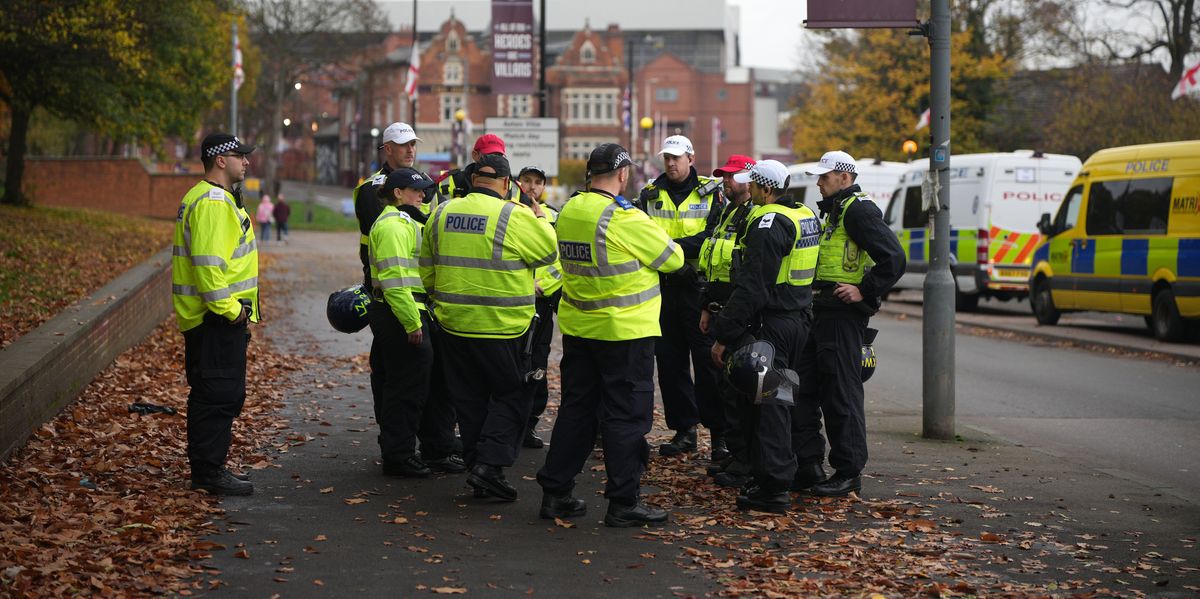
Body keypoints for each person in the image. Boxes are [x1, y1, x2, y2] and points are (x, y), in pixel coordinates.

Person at [536, 143, 684, 527]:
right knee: (625, 418)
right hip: (625, 333)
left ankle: (556, 492)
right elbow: (674, 258)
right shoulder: (624, 217)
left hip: (581, 330)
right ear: (622, 175)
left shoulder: (570, 210)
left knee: (577, 411)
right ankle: (623, 502)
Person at [420, 153, 558, 502]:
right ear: (507, 183)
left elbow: (427, 270)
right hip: (502, 328)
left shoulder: (441, 213)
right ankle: (490, 467)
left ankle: (476, 467)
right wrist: (538, 214)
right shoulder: (513, 215)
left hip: (454, 326)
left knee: (469, 400)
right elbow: (548, 251)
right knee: (513, 394)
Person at [707, 160, 821, 513]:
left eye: (754, 185)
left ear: (766, 188)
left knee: (770, 404)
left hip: (773, 325)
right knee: (787, 399)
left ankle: (773, 486)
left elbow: (753, 287)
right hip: (798, 318)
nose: (750, 191)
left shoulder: (768, 222)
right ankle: (797, 468)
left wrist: (724, 333)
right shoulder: (804, 214)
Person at [798, 151, 906, 497]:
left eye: (824, 177)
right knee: (806, 389)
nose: (818, 182)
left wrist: (864, 290)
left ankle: (848, 472)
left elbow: (894, 258)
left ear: (844, 177)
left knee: (841, 393)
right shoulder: (835, 211)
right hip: (822, 312)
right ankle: (810, 465)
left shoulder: (858, 210)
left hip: (842, 318)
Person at [171, 133, 260, 496]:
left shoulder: (202, 196)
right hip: (217, 320)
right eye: (241, 156)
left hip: (211, 320)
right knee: (218, 395)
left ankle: (210, 467)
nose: (247, 162)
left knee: (215, 393)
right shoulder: (212, 201)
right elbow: (209, 267)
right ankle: (208, 472)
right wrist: (231, 310)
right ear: (220, 160)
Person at [635, 135, 727, 458]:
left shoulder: (712, 192)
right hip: (663, 289)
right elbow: (639, 236)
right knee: (670, 364)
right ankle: (684, 430)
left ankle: (720, 437)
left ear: (691, 157)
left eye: (676, 157)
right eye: (667, 158)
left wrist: (671, 250)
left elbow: (713, 235)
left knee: (707, 364)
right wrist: (673, 260)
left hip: (699, 289)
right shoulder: (649, 194)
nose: (671, 164)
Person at [367, 168, 439, 477]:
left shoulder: (399, 222)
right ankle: (399, 456)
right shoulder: (394, 226)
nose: (423, 196)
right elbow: (395, 281)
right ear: (398, 193)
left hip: (398, 312)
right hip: (401, 313)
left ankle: (398, 450)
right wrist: (412, 323)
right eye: (416, 190)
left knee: (400, 384)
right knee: (406, 388)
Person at [698, 154, 757, 487]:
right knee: (725, 389)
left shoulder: (751, 216)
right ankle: (735, 455)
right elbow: (714, 264)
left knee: (739, 389)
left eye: (732, 177)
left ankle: (744, 461)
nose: (726, 182)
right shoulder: (724, 212)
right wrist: (707, 306)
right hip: (720, 307)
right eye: (724, 176)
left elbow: (745, 273)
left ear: (749, 180)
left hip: (738, 312)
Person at [516, 166, 561, 449]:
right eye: (527, 182)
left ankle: (530, 422)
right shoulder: (509, 213)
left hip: (544, 300)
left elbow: (561, 259)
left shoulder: (554, 217)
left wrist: (546, 285)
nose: (532, 187)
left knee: (538, 363)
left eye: (537, 182)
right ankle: (510, 422)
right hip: (516, 299)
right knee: (513, 362)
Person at [355, 122, 420, 289]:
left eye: (412, 144)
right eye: (403, 145)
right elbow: (386, 239)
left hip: (419, 281)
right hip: (386, 284)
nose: (410, 150)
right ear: (388, 149)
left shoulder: (424, 183)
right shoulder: (372, 189)